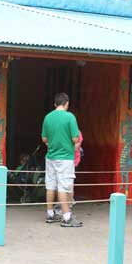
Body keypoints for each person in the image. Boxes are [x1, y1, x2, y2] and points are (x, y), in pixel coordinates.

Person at [41, 92, 82, 227]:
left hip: (50, 157)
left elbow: (44, 139)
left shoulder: (47, 117)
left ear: (55, 104)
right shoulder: (70, 117)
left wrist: (52, 145)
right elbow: (76, 139)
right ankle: (66, 217)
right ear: (67, 104)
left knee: (50, 185)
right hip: (65, 158)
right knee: (64, 186)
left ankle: (50, 214)